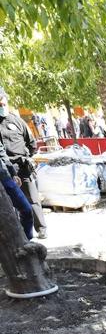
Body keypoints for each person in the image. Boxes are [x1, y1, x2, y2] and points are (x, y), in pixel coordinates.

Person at [0, 87, 48, 239]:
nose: (2, 107)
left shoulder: (17, 121)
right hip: (7, 168)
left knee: (32, 199)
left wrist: (28, 157)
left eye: (3, 104)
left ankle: (41, 228)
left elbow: (31, 142)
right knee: (13, 203)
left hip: (22, 165)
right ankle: (21, 234)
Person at [0, 136, 34, 239]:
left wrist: (13, 172)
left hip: (4, 177)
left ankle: (26, 242)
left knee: (26, 210)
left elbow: (1, 152)